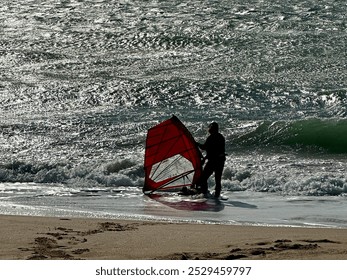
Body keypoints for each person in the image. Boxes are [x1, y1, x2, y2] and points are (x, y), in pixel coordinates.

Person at [196, 121, 226, 198]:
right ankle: (217, 195)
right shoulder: (221, 137)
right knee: (217, 179)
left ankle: (205, 192)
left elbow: (204, 147)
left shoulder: (211, 137)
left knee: (203, 177)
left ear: (213, 129)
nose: (209, 129)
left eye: (210, 128)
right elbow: (215, 151)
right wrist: (206, 158)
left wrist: (197, 144)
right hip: (220, 160)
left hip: (213, 161)